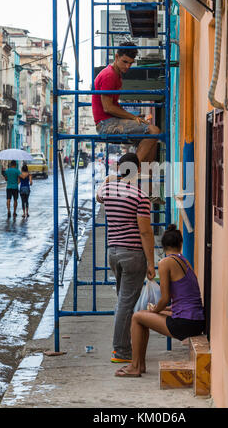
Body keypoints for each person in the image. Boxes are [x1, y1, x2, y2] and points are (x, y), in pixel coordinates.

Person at [114, 224, 205, 377]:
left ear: (162, 247)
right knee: (144, 318)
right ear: (180, 244)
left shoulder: (165, 263)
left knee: (137, 317)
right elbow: (183, 300)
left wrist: (155, 309)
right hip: (196, 320)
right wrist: (161, 310)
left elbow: (165, 298)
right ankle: (139, 364)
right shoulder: (185, 261)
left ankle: (135, 366)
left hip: (185, 324)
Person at [97, 152, 156, 364]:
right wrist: (151, 262)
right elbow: (145, 232)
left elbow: (98, 195)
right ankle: (121, 351)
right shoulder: (139, 196)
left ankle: (124, 345)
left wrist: (109, 179)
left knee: (124, 299)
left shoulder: (108, 190)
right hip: (132, 254)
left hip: (113, 252)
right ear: (138, 170)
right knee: (126, 302)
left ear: (119, 169)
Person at [92, 41, 161, 163]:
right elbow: (108, 108)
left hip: (110, 121)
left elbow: (114, 106)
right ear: (116, 57)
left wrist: (132, 118)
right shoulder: (109, 75)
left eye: (130, 63)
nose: (128, 66)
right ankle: (131, 171)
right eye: (125, 62)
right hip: (105, 125)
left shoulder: (116, 74)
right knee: (154, 131)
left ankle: (146, 179)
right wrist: (132, 117)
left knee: (152, 140)